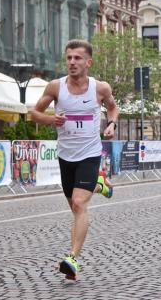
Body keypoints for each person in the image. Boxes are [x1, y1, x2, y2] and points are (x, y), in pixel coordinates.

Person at [31, 39, 119, 280]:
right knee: (73, 207)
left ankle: (72, 259)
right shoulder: (55, 87)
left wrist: (111, 124)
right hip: (65, 156)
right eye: (69, 58)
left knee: (80, 204)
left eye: (77, 58)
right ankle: (98, 184)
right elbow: (34, 113)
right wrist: (51, 120)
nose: (72, 62)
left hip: (90, 154)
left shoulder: (100, 88)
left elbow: (113, 108)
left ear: (88, 62)